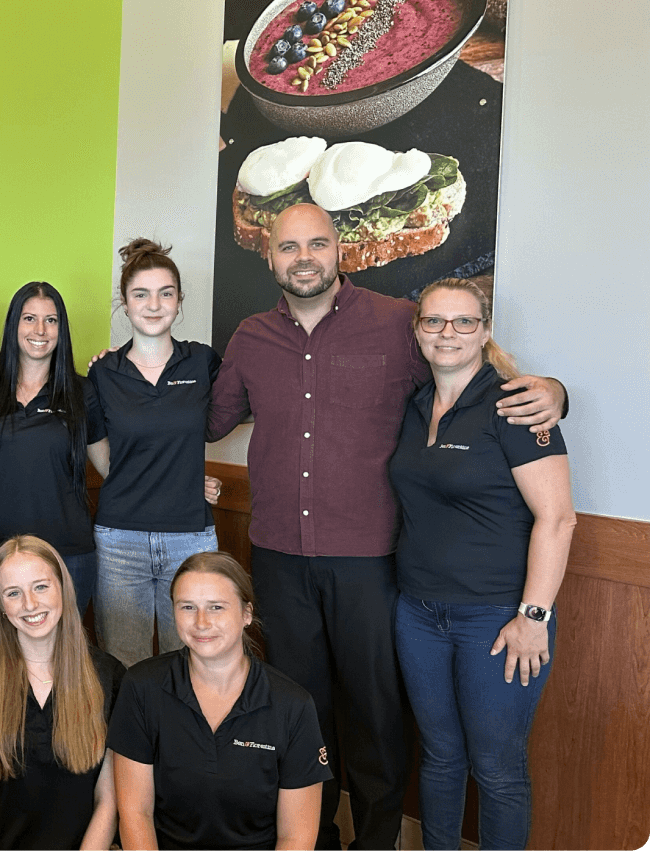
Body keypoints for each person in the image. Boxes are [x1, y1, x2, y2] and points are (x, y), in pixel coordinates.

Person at [207, 203, 566, 849]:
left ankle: (376, 841)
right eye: (289, 247)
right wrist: (125, 370)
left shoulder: (402, 323)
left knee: (375, 715)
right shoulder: (251, 337)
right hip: (279, 556)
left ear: (340, 249)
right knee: (299, 711)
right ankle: (308, 838)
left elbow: (475, 375)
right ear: (270, 256)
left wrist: (556, 391)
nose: (304, 257)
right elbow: (205, 419)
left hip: (371, 558)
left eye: (318, 243)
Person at [388, 279, 575, 851]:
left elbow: (559, 519)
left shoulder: (517, 405)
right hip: (418, 613)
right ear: (418, 329)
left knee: (496, 768)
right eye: (435, 322)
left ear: (485, 329)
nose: (448, 334)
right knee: (440, 756)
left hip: (497, 621)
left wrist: (533, 616)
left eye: (464, 322)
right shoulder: (416, 402)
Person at [112, 551, 329, 851]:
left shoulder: (293, 706)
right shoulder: (140, 687)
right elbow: (136, 813)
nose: (201, 622)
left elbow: (296, 837)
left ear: (246, 614)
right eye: (188, 607)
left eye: (216, 607)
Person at [89, 239, 223, 668]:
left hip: (191, 537)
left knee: (190, 659)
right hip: (118, 538)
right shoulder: (102, 372)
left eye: (166, 293)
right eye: (140, 294)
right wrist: (147, 479)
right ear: (125, 303)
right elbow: (103, 453)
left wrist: (186, 477)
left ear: (179, 301)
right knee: (122, 662)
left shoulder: (202, 363)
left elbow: (242, 408)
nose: (153, 305)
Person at [0, 536, 124, 851]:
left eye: (41, 586)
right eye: (13, 593)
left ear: (63, 588)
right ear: (0, 605)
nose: (30, 604)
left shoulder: (109, 676)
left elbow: (108, 801)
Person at [0, 282, 101, 614]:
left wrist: (182, 483)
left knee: (64, 660)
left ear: (62, 329)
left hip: (68, 554)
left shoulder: (82, 391)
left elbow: (113, 466)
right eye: (29, 318)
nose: (40, 330)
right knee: (2, 660)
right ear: (13, 324)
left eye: (51, 320)